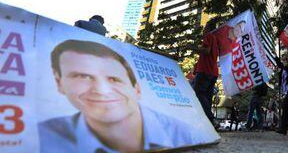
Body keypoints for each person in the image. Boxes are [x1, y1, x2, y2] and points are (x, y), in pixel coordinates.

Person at [39, 40, 197, 153]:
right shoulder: (40, 137)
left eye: (114, 79)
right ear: (59, 83)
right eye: (82, 76)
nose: (101, 90)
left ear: (137, 89)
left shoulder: (185, 134)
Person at [191, 21, 220, 127]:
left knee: (198, 92)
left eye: (205, 27)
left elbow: (206, 51)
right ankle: (209, 122)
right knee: (207, 97)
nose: (203, 29)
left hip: (205, 71)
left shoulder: (208, 36)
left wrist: (192, 48)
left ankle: (211, 119)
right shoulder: (216, 40)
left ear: (208, 28)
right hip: (213, 72)